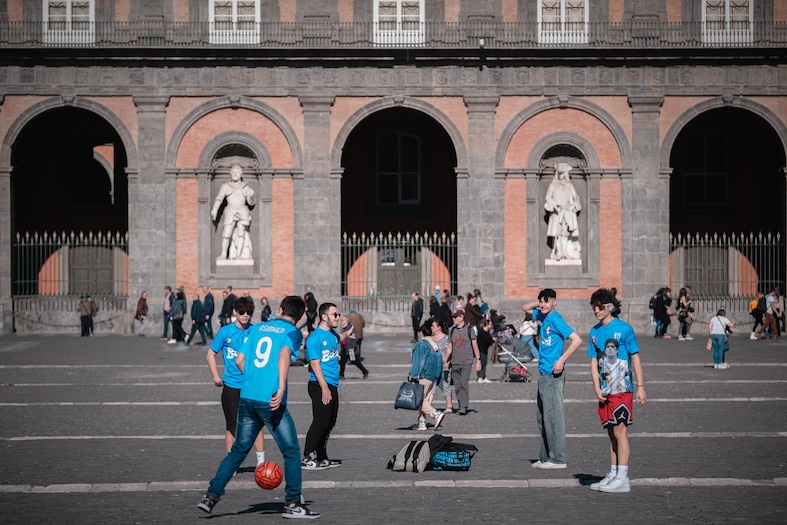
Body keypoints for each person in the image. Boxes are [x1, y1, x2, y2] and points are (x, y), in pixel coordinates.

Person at [198, 295, 320, 519]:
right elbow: (284, 355)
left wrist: (254, 379)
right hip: (270, 400)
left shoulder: (258, 328)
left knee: (238, 451)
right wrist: (280, 387)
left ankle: (211, 495)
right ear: (301, 315)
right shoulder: (291, 332)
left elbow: (239, 360)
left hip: (247, 396)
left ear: (280, 309)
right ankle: (293, 503)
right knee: (292, 451)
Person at [586, 288, 646, 493]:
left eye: (600, 306)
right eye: (593, 306)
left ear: (610, 306)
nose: (596, 310)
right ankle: (613, 473)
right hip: (605, 391)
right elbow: (594, 361)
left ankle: (623, 477)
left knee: (621, 433)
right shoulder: (594, 332)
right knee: (611, 433)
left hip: (622, 389)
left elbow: (635, 357)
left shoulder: (625, 329)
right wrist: (596, 386)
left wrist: (641, 387)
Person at [523, 288, 582, 469]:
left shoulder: (555, 318)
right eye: (541, 301)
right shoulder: (543, 316)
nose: (543, 304)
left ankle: (558, 459)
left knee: (553, 417)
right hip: (543, 374)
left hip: (553, 374)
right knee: (542, 418)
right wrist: (539, 303)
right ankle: (545, 456)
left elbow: (576, 339)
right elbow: (525, 308)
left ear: (555, 302)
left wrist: (561, 360)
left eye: (547, 301)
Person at [205, 296, 265, 464]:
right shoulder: (225, 332)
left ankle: (261, 464)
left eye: (249, 313)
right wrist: (216, 377)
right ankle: (231, 463)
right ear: (234, 312)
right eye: (242, 312)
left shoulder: (255, 332)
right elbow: (210, 354)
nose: (246, 315)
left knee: (256, 424)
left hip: (251, 387)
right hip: (231, 386)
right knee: (232, 426)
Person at [302, 302, 353, 470]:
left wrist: (348, 332)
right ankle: (308, 456)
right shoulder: (315, 338)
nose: (338, 317)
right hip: (319, 384)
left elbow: (341, 337)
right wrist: (324, 388)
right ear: (324, 317)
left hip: (332, 383)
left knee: (330, 422)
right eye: (335, 314)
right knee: (320, 421)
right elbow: (315, 365)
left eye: (338, 314)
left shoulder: (332, 335)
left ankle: (322, 456)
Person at [211, 164, 256, 260]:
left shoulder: (245, 186)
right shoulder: (225, 186)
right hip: (230, 211)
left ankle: (238, 254)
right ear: (230, 174)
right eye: (233, 172)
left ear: (241, 174)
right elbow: (219, 198)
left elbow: (250, 203)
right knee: (226, 234)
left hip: (243, 211)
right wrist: (215, 209)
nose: (235, 174)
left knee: (241, 234)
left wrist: (250, 196)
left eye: (237, 172)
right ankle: (223, 254)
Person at [409, 322, 446, 431]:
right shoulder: (434, 344)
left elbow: (418, 360)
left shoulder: (422, 344)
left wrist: (412, 374)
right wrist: (439, 378)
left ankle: (436, 414)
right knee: (425, 399)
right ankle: (422, 423)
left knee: (420, 400)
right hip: (433, 376)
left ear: (421, 333)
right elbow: (440, 361)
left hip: (424, 375)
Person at [443, 310, 481, 416]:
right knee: (457, 385)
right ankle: (461, 404)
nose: (453, 319)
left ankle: (463, 406)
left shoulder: (469, 330)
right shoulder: (452, 330)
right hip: (455, 362)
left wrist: (478, 360)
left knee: (464, 383)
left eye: (455, 317)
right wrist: (446, 361)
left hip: (467, 362)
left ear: (461, 317)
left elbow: (475, 345)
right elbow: (450, 347)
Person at [544, 162, 582, 261]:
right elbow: (548, 197)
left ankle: (565, 252)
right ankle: (558, 252)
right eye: (559, 173)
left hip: (567, 211)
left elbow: (576, 197)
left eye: (563, 173)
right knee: (557, 231)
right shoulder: (553, 185)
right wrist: (555, 204)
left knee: (565, 232)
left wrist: (574, 204)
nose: (561, 176)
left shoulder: (570, 186)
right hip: (557, 212)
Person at [430, 317, 453, 413]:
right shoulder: (430, 338)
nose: (431, 328)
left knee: (445, 385)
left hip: (444, 365)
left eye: (433, 326)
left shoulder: (446, 338)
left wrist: (447, 362)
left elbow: (450, 349)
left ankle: (449, 406)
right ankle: (428, 405)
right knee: (431, 386)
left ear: (438, 327)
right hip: (432, 366)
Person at [339, 315, 369, 380]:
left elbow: (355, 338)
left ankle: (365, 371)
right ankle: (341, 374)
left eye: (342, 320)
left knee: (355, 361)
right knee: (342, 362)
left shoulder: (351, 327)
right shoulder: (343, 328)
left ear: (346, 321)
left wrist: (353, 347)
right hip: (344, 348)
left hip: (349, 348)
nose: (341, 321)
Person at [476, 319, 494, 383]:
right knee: (481, 363)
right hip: (481, 350)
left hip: (485, 350)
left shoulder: (487, 332)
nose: (491, 326)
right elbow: (487, 341)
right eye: (490, 324)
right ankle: (480, 377)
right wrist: (492, 341)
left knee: (484, 364)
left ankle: (484, 376)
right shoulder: (482, 332)